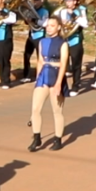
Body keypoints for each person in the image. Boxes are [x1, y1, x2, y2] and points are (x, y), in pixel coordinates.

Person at [28, 16, 69, 152]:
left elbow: (63, 64)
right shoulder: (42, 42)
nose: (49, 27)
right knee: (35, 109)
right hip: (43, 75)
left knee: (57, 111)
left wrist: (58, 84)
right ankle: (36, 137)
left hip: (56, 75)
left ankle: (58, 139)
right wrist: (37, 79)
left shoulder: (63, 43)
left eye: (52, 25)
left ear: (58, 27)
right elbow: (40, 61)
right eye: (48, 25)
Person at [58, 0, 89, 96]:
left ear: (75, 1)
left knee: (76, 65)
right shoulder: (62, 11)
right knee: (62, 65)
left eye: (70, 1)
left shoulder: (81, 10)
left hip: (75, 40)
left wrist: (73, 16)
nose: (68, 3)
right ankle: (63, 87)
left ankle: (76, 86)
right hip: (64, 40)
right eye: (66, 1)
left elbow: (85, 24)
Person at [20, 0, 49, 83]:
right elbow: (27, 21)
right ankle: (27, 76)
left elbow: (44, 23)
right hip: (31, 34)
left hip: (40, 35)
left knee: (40, 57)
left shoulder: (45, 11)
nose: (35, 2)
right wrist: (27, 20)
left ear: (42, 1)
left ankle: (41, 76)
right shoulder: (31, 9)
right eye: (34, 0)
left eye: (37, 0)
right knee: (26, 55)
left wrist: (34, 20)